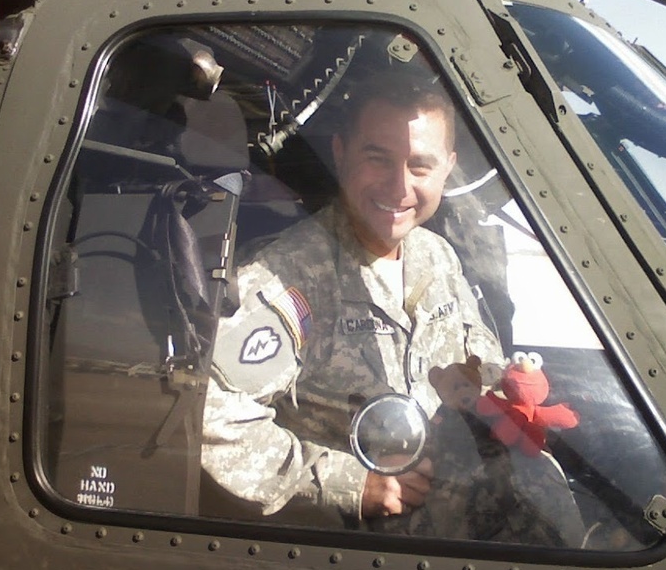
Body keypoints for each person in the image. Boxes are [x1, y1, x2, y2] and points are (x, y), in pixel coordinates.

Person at [201, 73, 504, 528]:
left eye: (420, 166)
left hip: (461, 511)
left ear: (448, 167)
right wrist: (344, 481)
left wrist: (501, 392)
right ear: (341, 154)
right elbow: (210, 413)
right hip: (363, 546)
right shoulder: (290, 274)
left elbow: (478, 356)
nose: (399, 187)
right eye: (377, 159)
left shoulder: (437, 256)